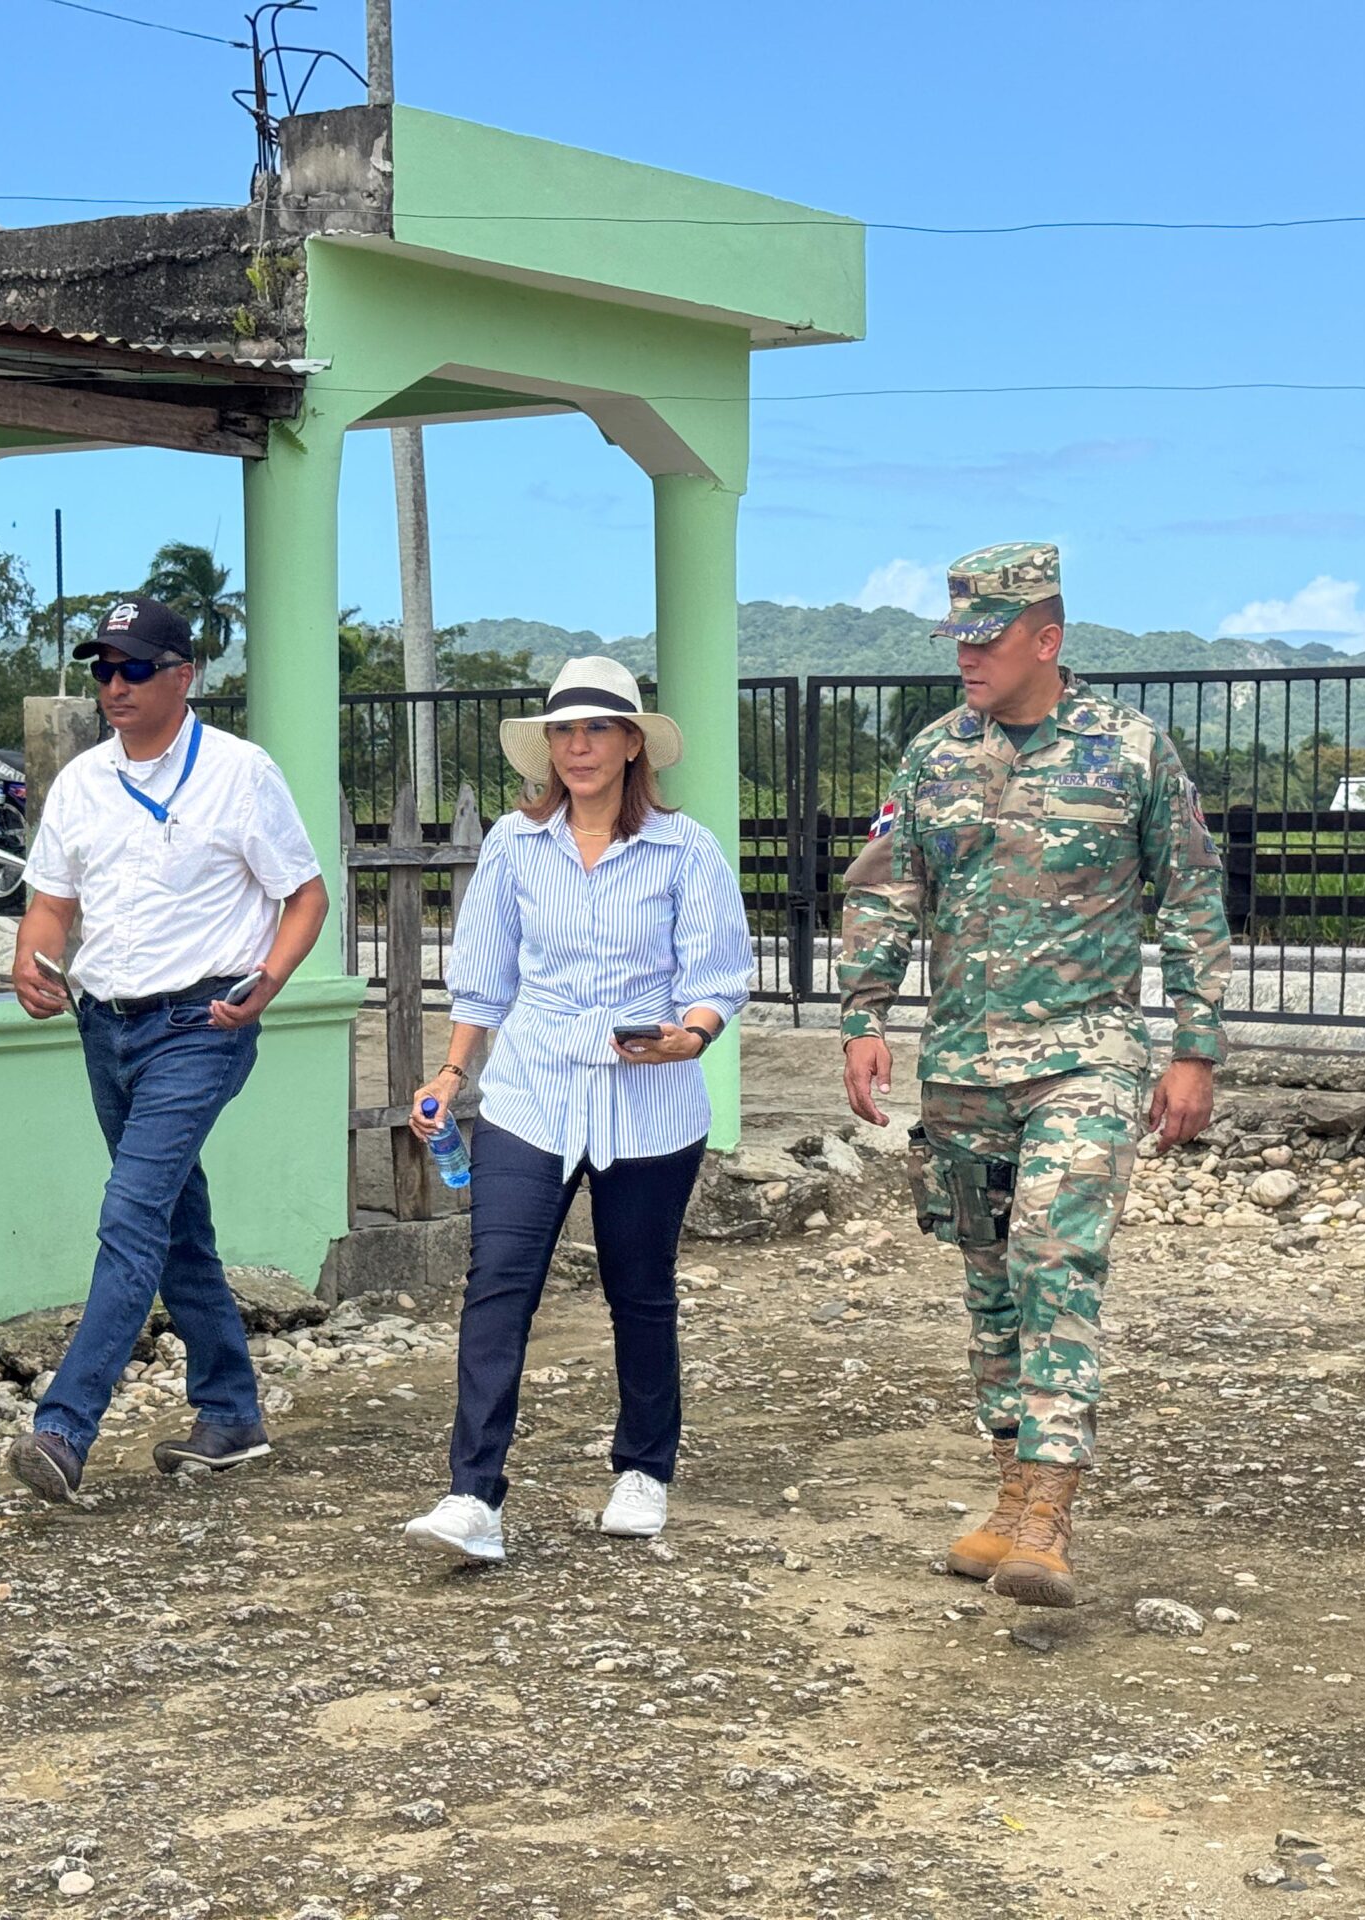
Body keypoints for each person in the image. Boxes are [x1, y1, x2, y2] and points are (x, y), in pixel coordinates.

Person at [838, 542, 1231, 1609]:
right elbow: (886, 891)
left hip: (1085, 1055)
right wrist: (863, 1014)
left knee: (1054, 1255)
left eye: (986, 638)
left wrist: (1194, 1046)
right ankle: (1009, 1495)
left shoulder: (1130, 753)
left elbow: (1191, 896)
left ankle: (1050, 1510)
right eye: (956, 638)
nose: (966, 656)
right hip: (963, 1064)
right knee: (989, 1284)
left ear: (1045, 639)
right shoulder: (931, 759)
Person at [400, 657, 753, 1565]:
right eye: (564, 731)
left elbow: (717, 972)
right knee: (498, 1283)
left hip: (649, 1100)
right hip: (532, 1091)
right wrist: (448, 1073)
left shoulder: (687, 849)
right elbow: (484, 977)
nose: (580, 747)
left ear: (634, 744)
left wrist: (695, 1034)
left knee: (638, 1289)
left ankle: (644, 1469)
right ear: (547, 749)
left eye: (598, 729)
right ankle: (473, 1495)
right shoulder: (515, 849)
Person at [3, 596, 328, 1503]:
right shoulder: (80, 784)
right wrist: (32, 960)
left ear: (184, 676)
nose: (114, 685)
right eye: (102, 669)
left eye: (133, 668)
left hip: (201, 1025)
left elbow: (304, 894)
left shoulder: (240, 774)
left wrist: (267, 980)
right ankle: (230, 1411)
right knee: (177, 1222)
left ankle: (65, 1428)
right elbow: (53, 903)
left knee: (131, 1213)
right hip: (104, 1027)